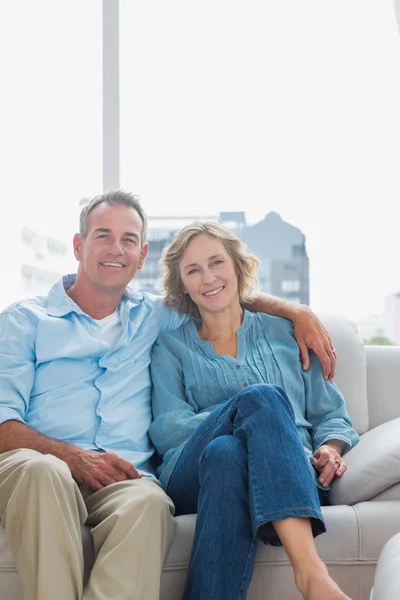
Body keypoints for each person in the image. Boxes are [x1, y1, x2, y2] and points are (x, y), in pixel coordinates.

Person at [0, 191, 336, 600]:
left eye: (128, 240)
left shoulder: (153, 314)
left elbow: (218, 294)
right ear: (78, 245)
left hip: (125, 477)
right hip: (42, 464)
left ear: (141, 256)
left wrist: (295, 311)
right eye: (103, 236)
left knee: (159, 498)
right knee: (44, 473)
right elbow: (3, 426)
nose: (116, 249)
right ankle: (311, 575)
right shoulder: (23, 321)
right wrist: (71, 456)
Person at [149, 221, 360, 600]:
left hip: (291, 473)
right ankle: (311, 576)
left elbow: (331, 416)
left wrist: (330, 447)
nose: (208, 277)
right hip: (188, 475)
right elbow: (170, 429)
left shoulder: (286, 332)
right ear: (181, 283)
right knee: (260, 399)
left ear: (237, 266)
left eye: (216, 262)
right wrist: (242, 416)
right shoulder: (169, 348)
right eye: (193, 270)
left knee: (226, 453)